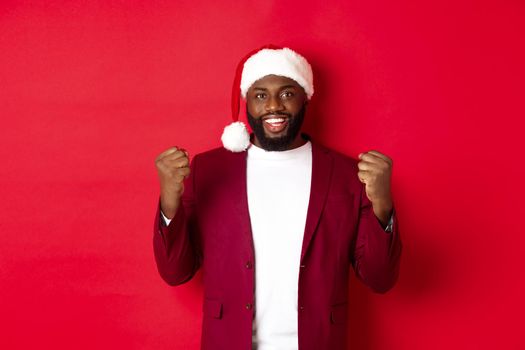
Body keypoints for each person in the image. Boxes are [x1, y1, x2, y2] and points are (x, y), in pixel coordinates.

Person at [153, 44, 402, 350]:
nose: (274, 105)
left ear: (305, 99)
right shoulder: (208, 170)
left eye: (287, 93)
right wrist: (169, 200)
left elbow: (380, 278)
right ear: (247, 102)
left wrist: (382, 203)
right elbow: (176, 272)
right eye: (260, 95)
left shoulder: (347, 174)